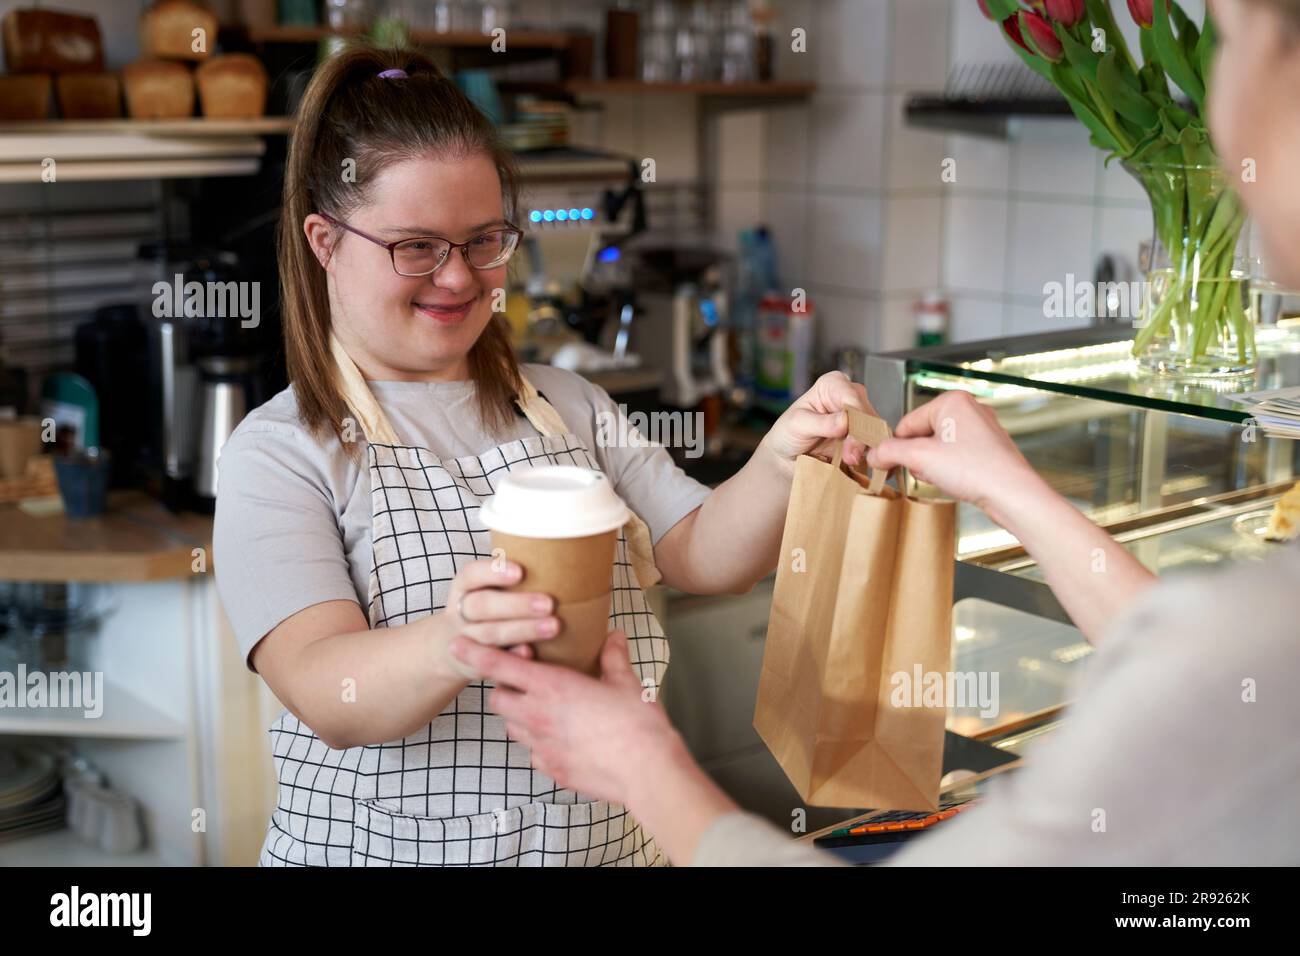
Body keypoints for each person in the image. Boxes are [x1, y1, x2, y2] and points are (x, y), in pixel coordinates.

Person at [449, 0, 1300, 866]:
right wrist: (1007, 485)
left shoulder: (1254, 639)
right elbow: (1182, 650)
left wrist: (640, 761)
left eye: (1229, 40)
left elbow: (1206, 666)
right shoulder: (1245, 643)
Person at [212, 44, 876, 866]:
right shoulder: (280, 454)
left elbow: (702, 551)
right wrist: (456, 638)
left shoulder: (566, 404)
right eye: (416, 247)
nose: (459, 279)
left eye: (484, 240)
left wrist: (785, 461)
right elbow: (328, 692)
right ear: (323, 240)